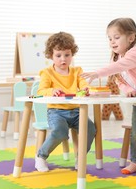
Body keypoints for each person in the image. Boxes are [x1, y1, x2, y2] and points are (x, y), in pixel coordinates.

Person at [81, 18, 136, 176]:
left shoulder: (134, 53)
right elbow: (118, 79)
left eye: (116, 37)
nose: (112, 42)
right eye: (109, 38)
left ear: (131, 38)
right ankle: (135, 162)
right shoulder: (118, 58)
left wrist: (97, 73)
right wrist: (128, 89)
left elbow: (119, 67)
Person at [35, 32, 96, 172]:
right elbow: (40, 91)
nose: (63, 59)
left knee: (91, 129)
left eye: (67, 55)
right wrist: (52, 91)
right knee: (60, 132)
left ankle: (80, 158)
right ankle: (41, 156)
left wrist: (87, 89)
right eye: (58, 55)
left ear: (72, 54)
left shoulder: (77, 71)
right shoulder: (47, 73)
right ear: (51, 55)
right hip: (57, 112)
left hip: (76, 111)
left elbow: (84, 84)